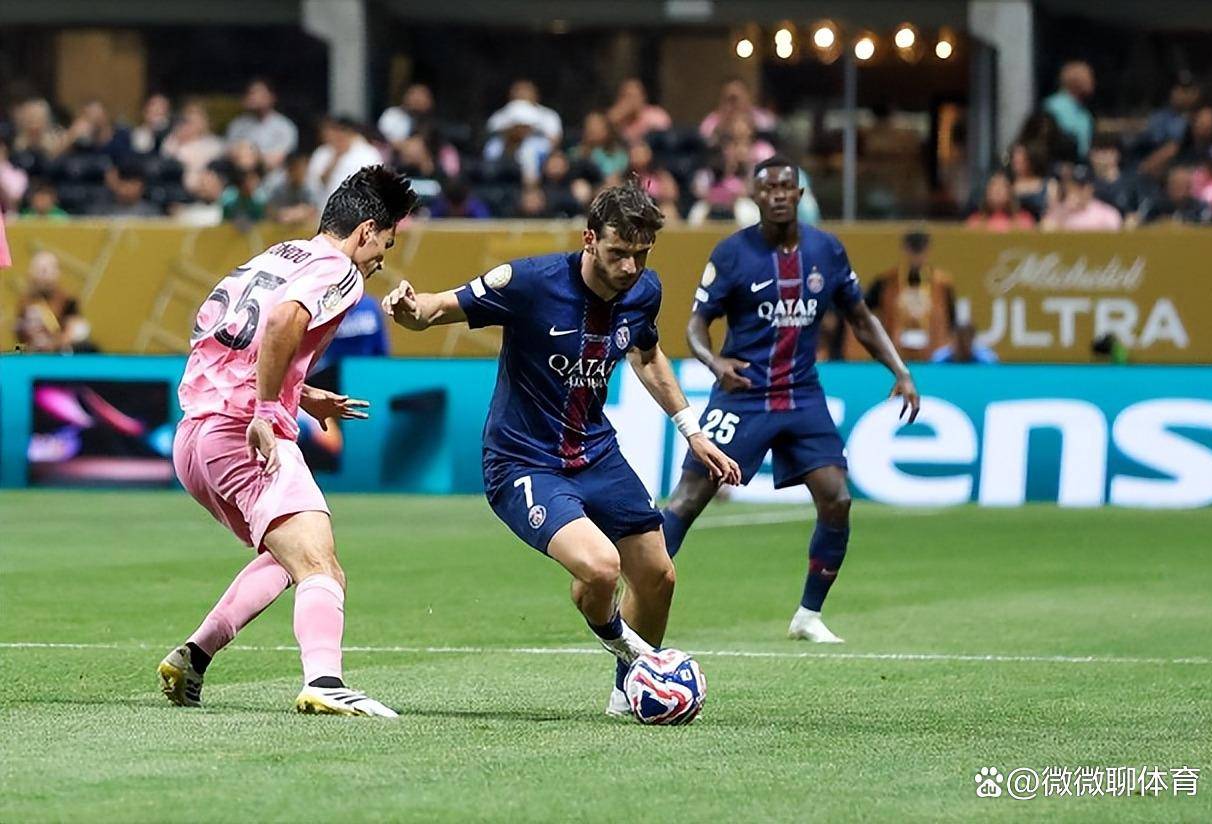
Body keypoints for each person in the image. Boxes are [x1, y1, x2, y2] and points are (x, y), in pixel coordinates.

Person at [382, 180, 741, 717]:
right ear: (589, 238)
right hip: (522, 461)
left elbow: (647, 355)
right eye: (618, 253)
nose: (630, 267)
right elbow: (436, 309)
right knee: (600, 569)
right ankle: (638, 657)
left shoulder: (644, 290)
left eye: (641, 254)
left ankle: (628, 692)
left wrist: (692, 430)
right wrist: (409, 307)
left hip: (596, 454)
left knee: (658, 576)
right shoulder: (530, 282)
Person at [158, 166, 417, 717]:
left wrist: (303, 394)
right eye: (386, 244)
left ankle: (194, 657)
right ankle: (325, 680)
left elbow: (234, 342)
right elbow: (281, 323)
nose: (381, 260)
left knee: (285, 556)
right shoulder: (340, 270)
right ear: (366, 231)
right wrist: (267, 410)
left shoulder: (277, 255)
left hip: (195, 437)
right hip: (245, 433)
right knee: (321, 564)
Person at [663, 157, 919, 644]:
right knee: (690, 498)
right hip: (744, 394)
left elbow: (860, 317)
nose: (778, 195)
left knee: (837, 499)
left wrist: (901, 371)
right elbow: (696, 323)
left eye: (786, 187)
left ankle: (808, 615)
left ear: (799, 195)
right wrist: (714, 362)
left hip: (802, 393)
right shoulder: (732, 253)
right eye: (768, 188)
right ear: (754, 196)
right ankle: (636, 586)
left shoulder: (827, 250)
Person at [864, 229, 956, 362]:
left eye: (920, 250)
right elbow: (865, 311)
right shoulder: (887, 281)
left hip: (934, 354)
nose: (917, 256)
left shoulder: (942, 284)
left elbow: (952, 320)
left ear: (928, 250)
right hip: (895, 354)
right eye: (913, 250)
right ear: (905, 250)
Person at [16, 251, 93, 352]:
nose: (43, 276)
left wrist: (55, 343)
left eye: (46, 270)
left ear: (57, 272)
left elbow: (76, 330)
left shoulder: (67, 300)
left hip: (60, 352)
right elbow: (20, 333)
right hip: (34, 352)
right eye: (39, 270)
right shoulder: (25, 302)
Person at [306, 116, 383, 212]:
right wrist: (334, 160)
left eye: (341, 131)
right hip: (325, 211)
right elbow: (314, 186)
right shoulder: (322, 153)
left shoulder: (368, 154)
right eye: (334, 130)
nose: (337, 135)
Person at [225, 78, 298, 170]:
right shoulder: (238, 124)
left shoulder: (284, 126)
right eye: (251, 93)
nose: (254, 98)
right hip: (239, 174)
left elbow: (277, 159)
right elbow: (228, 152)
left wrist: (253, 155)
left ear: (272, 97)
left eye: (260, 93)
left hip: (274, 176)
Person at [161, 100, 226, 197]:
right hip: (177, 190)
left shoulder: (214, 144)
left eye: (196, 121)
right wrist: (178, 143)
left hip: (205, 192)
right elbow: (166, 160)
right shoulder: (172, 141)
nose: (191, 126)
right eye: (188, 121)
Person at [1040, 165, 1123, 231]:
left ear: (1091, 188)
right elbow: (1045, 229)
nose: (1077, 190)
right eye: (1073, 185)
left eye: (1081, 187)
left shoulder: (1107, 214)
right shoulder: (1059, 212)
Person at [1042, 61, 1094, 160]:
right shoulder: (1053, 107)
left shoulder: (1084, 112)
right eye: (1088, 78)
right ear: (1075, 81)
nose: (1092, 83)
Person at [699, 78, 776, 142]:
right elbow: (704, 139)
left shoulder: (763, 119)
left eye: (736, 99)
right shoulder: (711, 122)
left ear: (748, 98)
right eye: (728, 100)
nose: (733, 105)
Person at [606, 78, 672, 143]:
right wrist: (613, 118)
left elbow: (662, 136)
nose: (630, 101)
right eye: (626, 96)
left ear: (643, 97)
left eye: (634, 96)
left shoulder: (655, 114)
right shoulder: (618, 119)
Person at [966, 172, 1036, 231]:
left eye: (1002, 187)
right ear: (987, 194)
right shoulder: (975, 222)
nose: (997, 190)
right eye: (993, 187)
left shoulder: (1024, 221)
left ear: (1010, 193)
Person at [567, 112, 628, 180]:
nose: (593, 129)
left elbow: (614, 175)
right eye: (590, 125)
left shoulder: (619, 154)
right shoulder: (577, 153)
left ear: (607, 128)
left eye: (598, 125)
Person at [91, 160, 161, 218]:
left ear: (142, 187)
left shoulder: (152, 213)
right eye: (124, 183)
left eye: (133, 183)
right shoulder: (100, 211)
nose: (128, 188)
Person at [931, 323, 998, 364]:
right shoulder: (940, 359)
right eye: (958, 340)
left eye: (965, 340)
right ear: (952, 339)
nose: (962, 344)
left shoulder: (986, 359)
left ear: (972, 339)